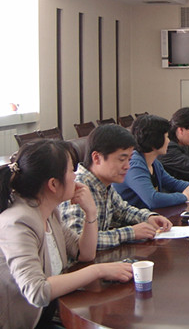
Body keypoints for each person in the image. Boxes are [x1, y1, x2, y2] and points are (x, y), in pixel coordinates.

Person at [0, 140, 133, 328]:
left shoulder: (48, 212)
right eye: (71, 171)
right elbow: (37, 291)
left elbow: (84, 253)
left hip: (52, 314)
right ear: (53, 184)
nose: (75, 176)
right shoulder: (18, 223)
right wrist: (99, 270)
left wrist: (91, 213)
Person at [60, 124, 173, 250]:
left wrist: (148, 217)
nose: (127, 166)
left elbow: (123, 211)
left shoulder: (104, 184)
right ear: (97, 158)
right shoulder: (77, 189)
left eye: (129, 160)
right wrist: (130, 233)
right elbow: (78, 243)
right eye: (121, 159)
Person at [113, 115, 189, 210]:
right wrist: (185, 196)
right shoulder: (134, 164)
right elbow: (153, 200)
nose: (169, 141)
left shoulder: (153, 162)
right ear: (155, 140)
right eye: (166, 137)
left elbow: (172, 183)